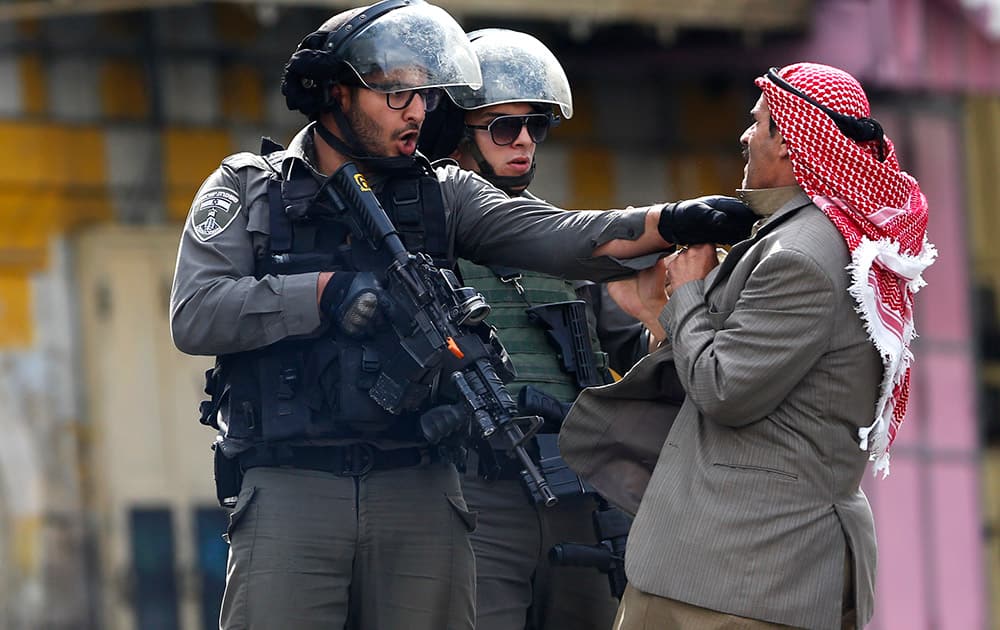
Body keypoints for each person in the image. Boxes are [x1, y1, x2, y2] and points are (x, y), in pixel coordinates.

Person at [169, 1, 756, 628]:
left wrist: (673, 221)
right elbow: (196, 312)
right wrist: (322, 295)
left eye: (424, 96)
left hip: (419, 484)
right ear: (337, 93)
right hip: (292, 485)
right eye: (397, 95)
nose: (418, 111)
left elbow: (560, 237)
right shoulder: (252, 187)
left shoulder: (442, 192)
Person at [563, 62, 937, 630]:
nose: (744, 135)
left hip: (736, 579)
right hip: (747, 572)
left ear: (792, 145)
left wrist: (686, 291)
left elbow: (725, 388)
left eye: (757, 123)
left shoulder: (800, 256)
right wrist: (662, 315)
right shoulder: (816, 238)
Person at [418, 28, 652, 629]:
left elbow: (639, 352)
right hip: (478, 494)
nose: (523, 142)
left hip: (579, 494)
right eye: (502, 127)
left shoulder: (566, 252)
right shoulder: (418, 244)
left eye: (534, 126)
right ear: (453, 130)